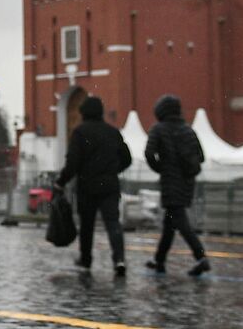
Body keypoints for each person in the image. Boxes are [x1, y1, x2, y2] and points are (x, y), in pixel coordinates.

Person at [55, 97, 132, 275]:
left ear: (84, 113)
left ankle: (86, 259)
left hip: (87, 186)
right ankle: (119, 259)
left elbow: (72, 162)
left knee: (87, 225)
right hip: (110, 186)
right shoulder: (113, 132)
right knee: (113, 223)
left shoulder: (80, 132)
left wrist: (61, 181)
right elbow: (126, 158)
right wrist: (113, 170)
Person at [143, 94, 211, 276]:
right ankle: (159, 260)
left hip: (170, 182)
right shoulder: (189, 130)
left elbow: (149, 154)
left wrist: (161, 168)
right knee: (170, 224)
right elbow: (201, 157)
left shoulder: (158, 129)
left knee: (180, 222)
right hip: (188, 182)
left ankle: (201, 257)